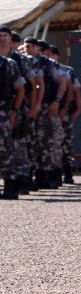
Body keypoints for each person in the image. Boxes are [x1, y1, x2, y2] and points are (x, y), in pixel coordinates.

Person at [30, 39, 69, 189]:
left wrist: (57, 102)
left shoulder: (49, 64)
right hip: (29, 108)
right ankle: (36, 177)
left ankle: (51, 177)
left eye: (33, 46)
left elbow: (63, 83)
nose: (29, 49)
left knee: (49, 142)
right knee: (33, 143)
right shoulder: (24, 62)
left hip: (47, 107)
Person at [1, 29, 36, 193]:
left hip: (11, 110)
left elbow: (28, 87)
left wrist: (30, 108)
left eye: (4, 35)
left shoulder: (14, 62)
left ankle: (18, 183)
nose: (2, 39)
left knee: (15, 147)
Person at [47, 45, 81, 184]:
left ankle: (68, 173)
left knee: (65, 142)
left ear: (57, 56)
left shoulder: (67, 70)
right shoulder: (45, 67)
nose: (49, 56)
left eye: (52, 54)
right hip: (49, 110)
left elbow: (75, 91)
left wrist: (78, 109)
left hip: (63, 111)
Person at [0, 37, 26, 200]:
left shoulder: (9, 64)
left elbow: (21, 89)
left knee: (4, 151)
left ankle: (10, 188)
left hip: (3, 113)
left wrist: (15, 110)